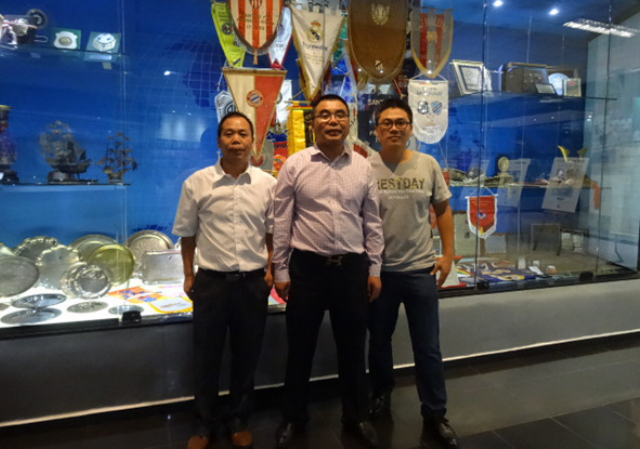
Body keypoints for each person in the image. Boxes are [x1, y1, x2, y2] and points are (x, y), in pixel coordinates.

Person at [272, 94, 384, 448]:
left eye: (339, 115)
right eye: (324, 115)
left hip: (351, 270)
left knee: (353, 347)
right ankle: (294, 417)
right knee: (299, 347)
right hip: (306, 270)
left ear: (348, 122)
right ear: (313, 123)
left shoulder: (362, 167)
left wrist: (375, 267)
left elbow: (372, 222)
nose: (332, 121)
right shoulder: (295, 164)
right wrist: (280, 270)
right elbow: (281, 221)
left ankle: (356, 416)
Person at [173, 111, 276, 449]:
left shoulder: (267, 184)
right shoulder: (197, 183)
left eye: (242, 134)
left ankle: (238, 420)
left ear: (252, 141)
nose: (236, 140)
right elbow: (187, 233)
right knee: (206, 358)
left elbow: (273, 233)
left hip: (252, 284)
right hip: (211, 284)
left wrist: (271, 270)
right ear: (219, 140)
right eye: (229, 133)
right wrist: (189, 274)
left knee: (247, 356)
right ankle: (204, 424)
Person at [367, 98, 460, 448]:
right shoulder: (365, 168)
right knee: (378, 340)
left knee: (428, 347)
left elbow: (443, 210)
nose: (394, 128)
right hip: (380, 273)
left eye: (401, 122)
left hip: (421, 270)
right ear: (376, 130)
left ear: (410, 128)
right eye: (387, 123)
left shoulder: (427, 164)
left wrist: (447, 255)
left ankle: (435, 412)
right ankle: (380, 394)